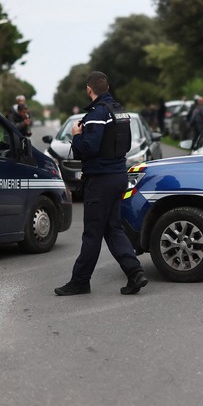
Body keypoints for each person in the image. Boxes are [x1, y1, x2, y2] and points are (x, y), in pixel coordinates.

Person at [55, 71, 148, 296]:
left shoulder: (97, 113)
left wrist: (77, 134)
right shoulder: (120, 112)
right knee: (112, 228)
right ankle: (135, 272)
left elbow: (89, 148)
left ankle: (80, 281)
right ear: (107, 87)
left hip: (101, 180)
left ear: (90, 89)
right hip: (118, 176)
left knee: (92, 233)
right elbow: (125, 145)